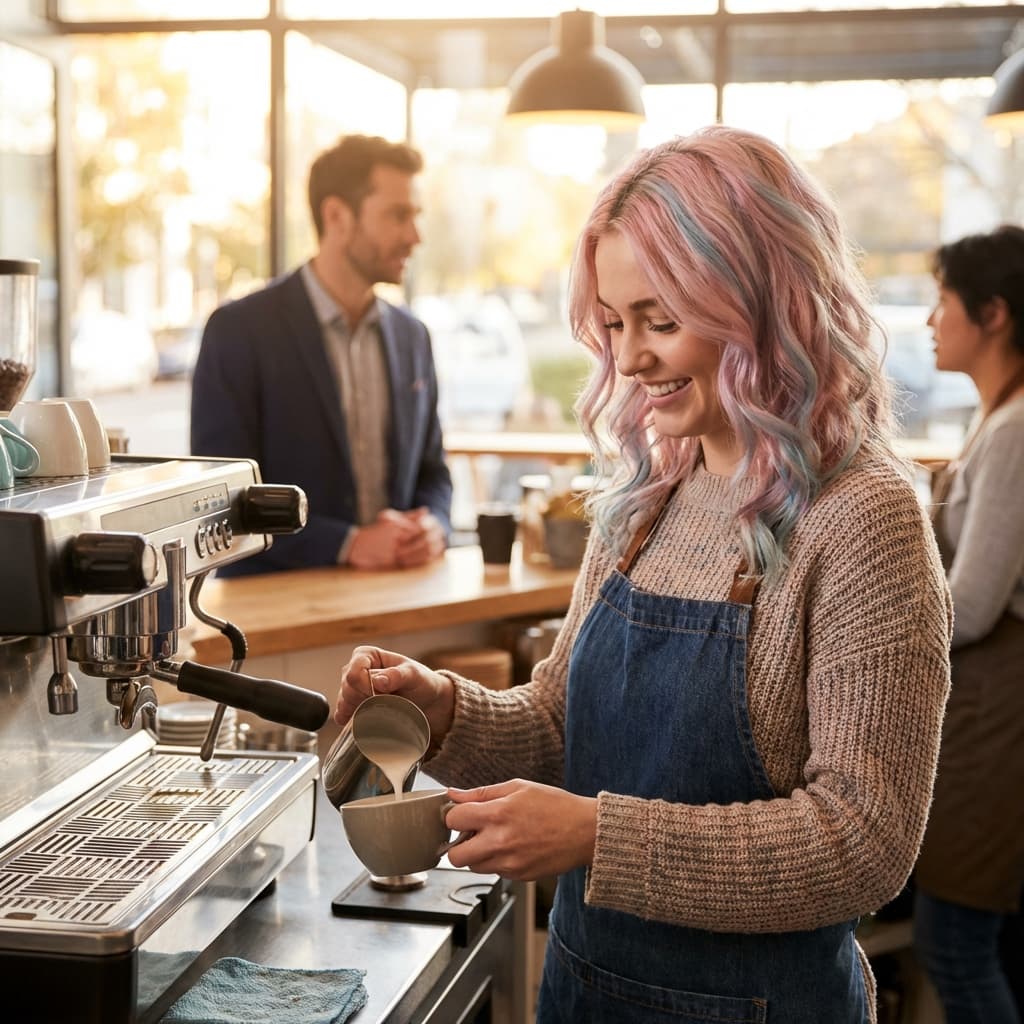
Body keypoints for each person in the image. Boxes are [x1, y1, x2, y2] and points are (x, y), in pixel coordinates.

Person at [334, 126, 952, 1023]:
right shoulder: (647, 496)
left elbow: (863, 846)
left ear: (766, 299)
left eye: (661, 321)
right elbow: (559, 727)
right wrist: (447, 712)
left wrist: (595, 834)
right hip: (583, 989)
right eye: (616, 324)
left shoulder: (864, 518)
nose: (628, 359)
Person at [191, 134, 452, 576]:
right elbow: (219, 503)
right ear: (337, 216)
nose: (415, 236)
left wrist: (435, 525)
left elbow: (434, 472)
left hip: (399, 600)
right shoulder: (238, 331)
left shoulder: (413, 336)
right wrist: (346, 544)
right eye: (398, 215)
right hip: (278, 613)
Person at [911, 225, 1024, 1024]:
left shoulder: (1017, 431)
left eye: (941, 301)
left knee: (955, 939)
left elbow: (975, 604)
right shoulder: (1000, 418)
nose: (928, 320)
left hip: (998, 714)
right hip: (985, 710)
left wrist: (879, 629)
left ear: (992, 313)